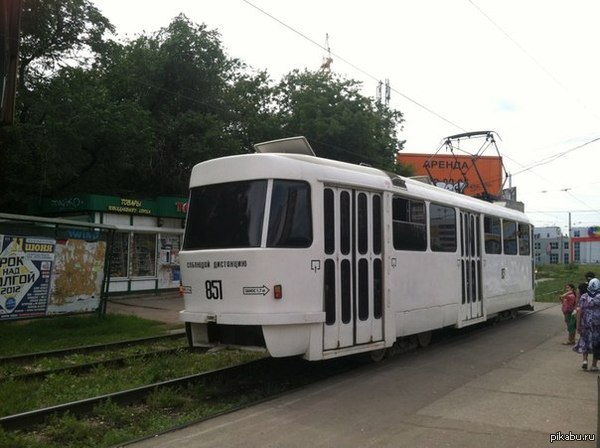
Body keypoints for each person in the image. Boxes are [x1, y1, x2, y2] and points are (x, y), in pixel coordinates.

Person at [573, 278, 600, 371]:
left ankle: (585, 361)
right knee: (597, 344)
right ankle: (594, 365)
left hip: (586, 323)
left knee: (585, 341)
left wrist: (578, 325)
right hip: (597, 324)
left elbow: (579, 311)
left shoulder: (584, 296)